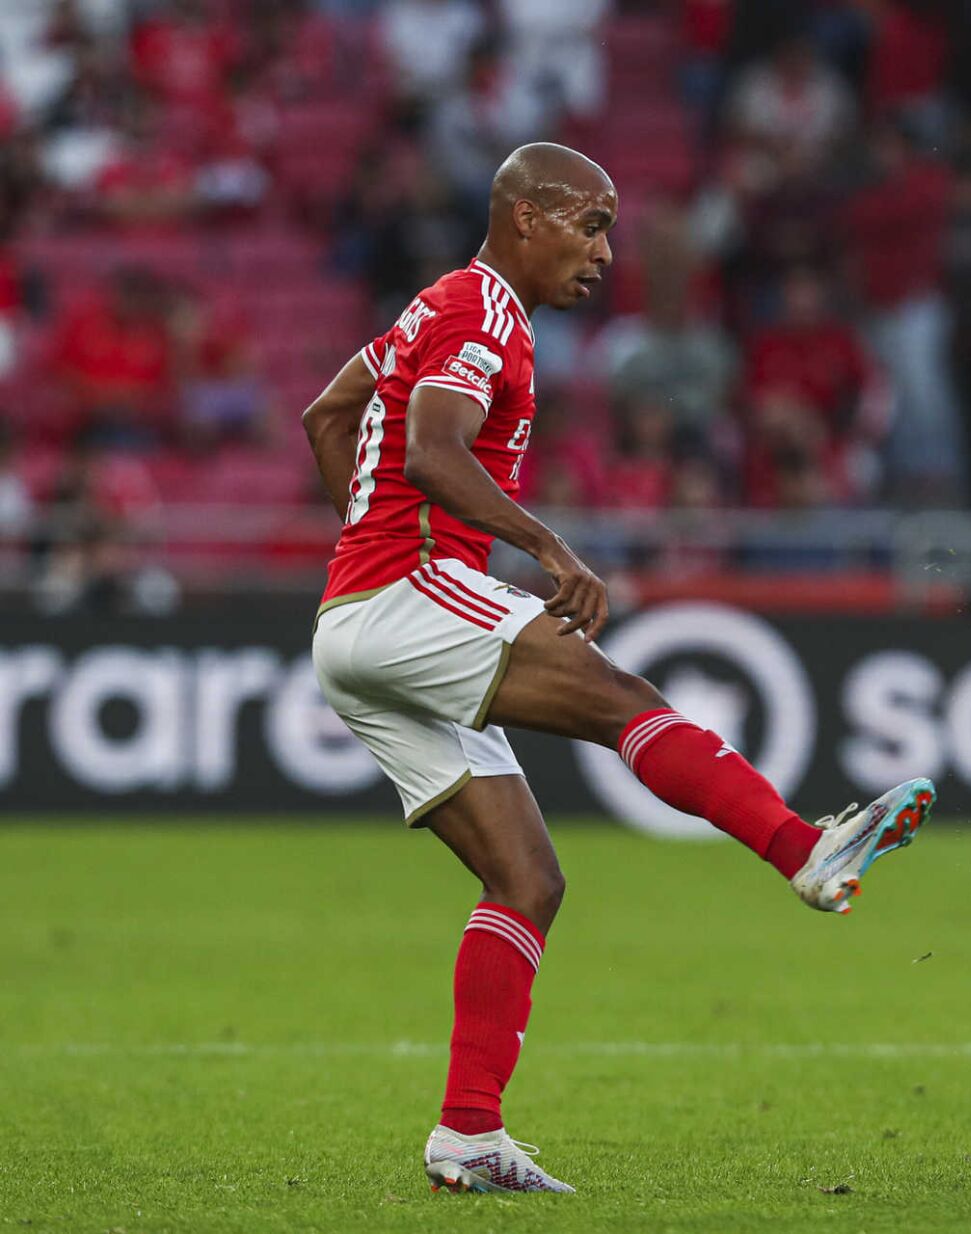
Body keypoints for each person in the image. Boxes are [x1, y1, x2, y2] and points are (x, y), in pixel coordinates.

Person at [299, 144, 935, 1196]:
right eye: (587, 224)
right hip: (406, 596)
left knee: (528, 879)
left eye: (610, 228)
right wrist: (546, 548)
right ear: (524, 216)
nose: (604, 250)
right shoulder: (480, 308)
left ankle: (467, 1132)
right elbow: (431, 451)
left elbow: (329, 414)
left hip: (361, 616)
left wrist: (362, 554)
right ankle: (802, 852)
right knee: (623, 699)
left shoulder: (436, 308)